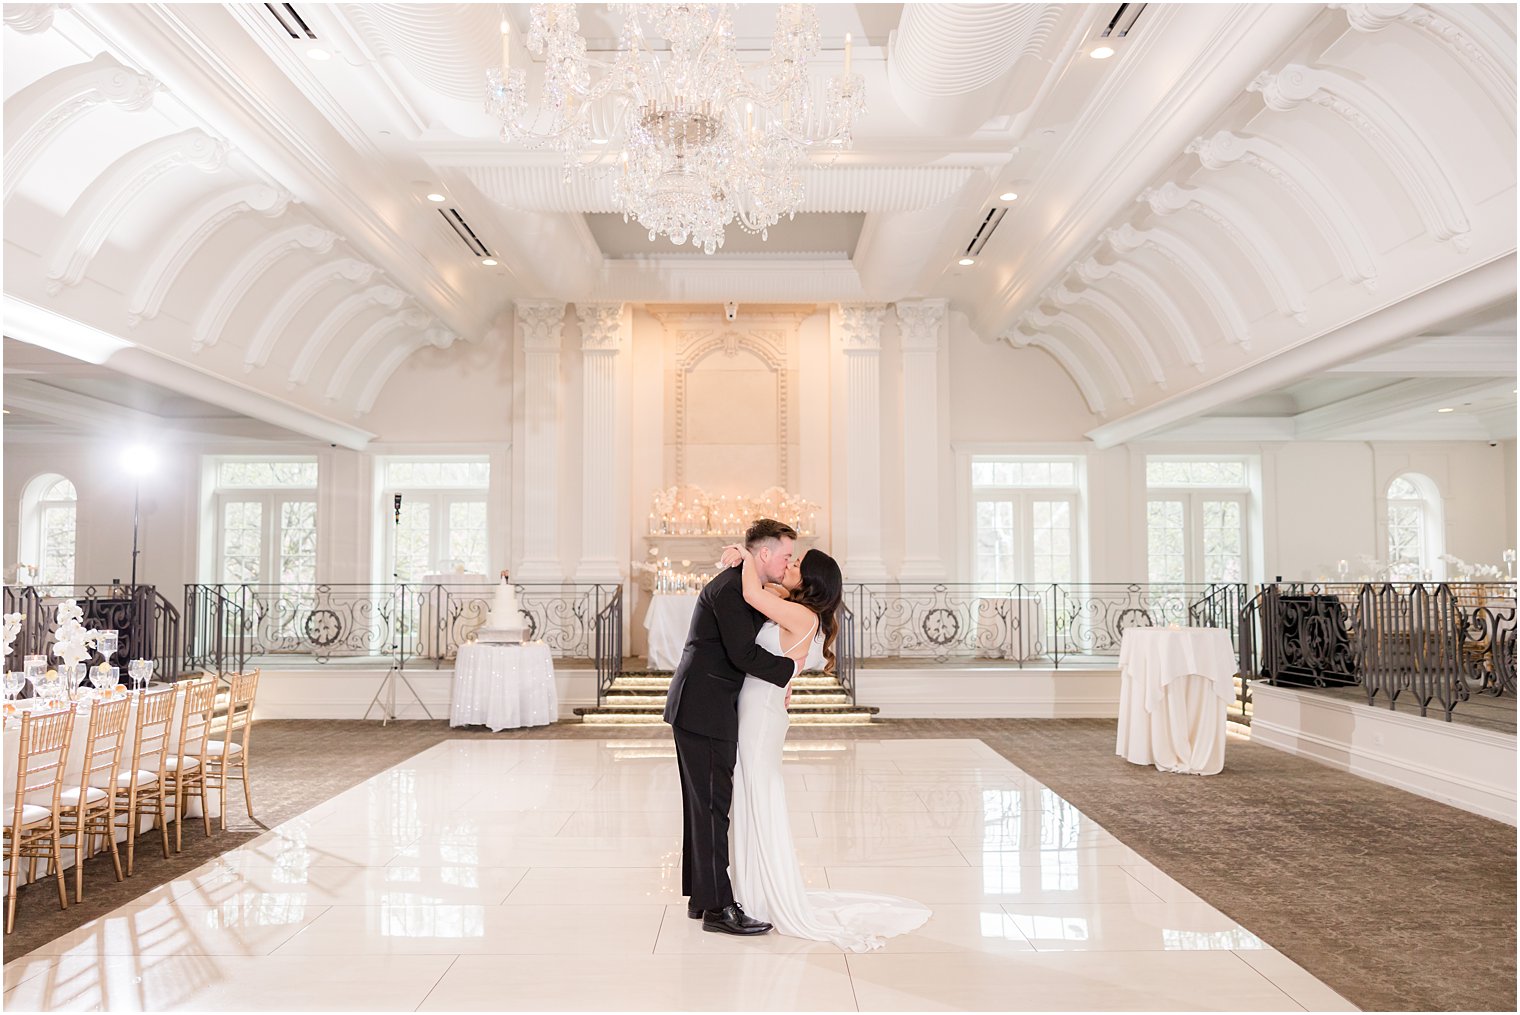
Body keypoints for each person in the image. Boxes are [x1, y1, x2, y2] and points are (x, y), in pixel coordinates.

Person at [720, 539, 932, 952]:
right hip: (759, 707)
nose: (788, 565)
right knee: (749, 794)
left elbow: (750, 592)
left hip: (760, 715)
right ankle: (753, 888)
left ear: (811, 579)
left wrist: (746, 555)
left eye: (795, 563)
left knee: (757, 793)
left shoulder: (801, 615)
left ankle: (763, 892)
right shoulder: (798, 608)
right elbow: (767, 592)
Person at [663, 518, 800, 935]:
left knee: (704, 807)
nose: (788, 562)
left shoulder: (744, 587)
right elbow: (742, 654)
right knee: (710, 809)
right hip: (704, 707)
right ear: (764, 553)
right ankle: (719, 909)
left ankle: (703, 898)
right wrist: (791, 669)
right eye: (786, 555)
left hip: (704, 705)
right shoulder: (731, 590)